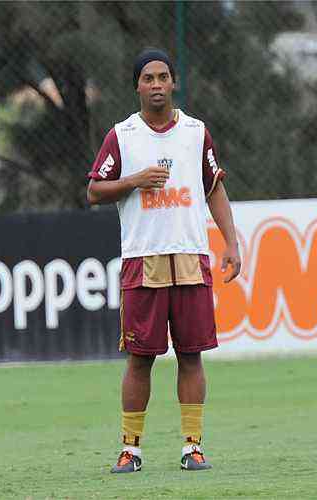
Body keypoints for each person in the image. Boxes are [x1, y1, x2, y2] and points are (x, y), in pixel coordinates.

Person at [86, 48, 241, 473]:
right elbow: (94, 190)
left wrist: (232, 241)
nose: (156, 85)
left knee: (192, 355)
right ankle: (130, 449)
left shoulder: (195, 132)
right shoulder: (123, 135)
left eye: (163, 77)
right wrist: (134, 180)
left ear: (174, 82)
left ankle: (193, 446)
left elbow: (214, 188)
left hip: (190, 258)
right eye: (148, 79)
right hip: (143, 260)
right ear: (136, 86)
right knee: (140, 359)